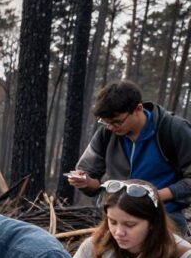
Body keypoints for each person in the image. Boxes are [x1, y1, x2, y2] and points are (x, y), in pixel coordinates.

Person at [69, 80, 191, 233]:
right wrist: (84, 181)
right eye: (106, 123)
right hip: (115, 219)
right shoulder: (107, 132)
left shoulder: (174, 129)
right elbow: (90, 176)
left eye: (117, 122)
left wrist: (154, 196)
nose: (111, 127)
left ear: (138, 108)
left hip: (163, 218)